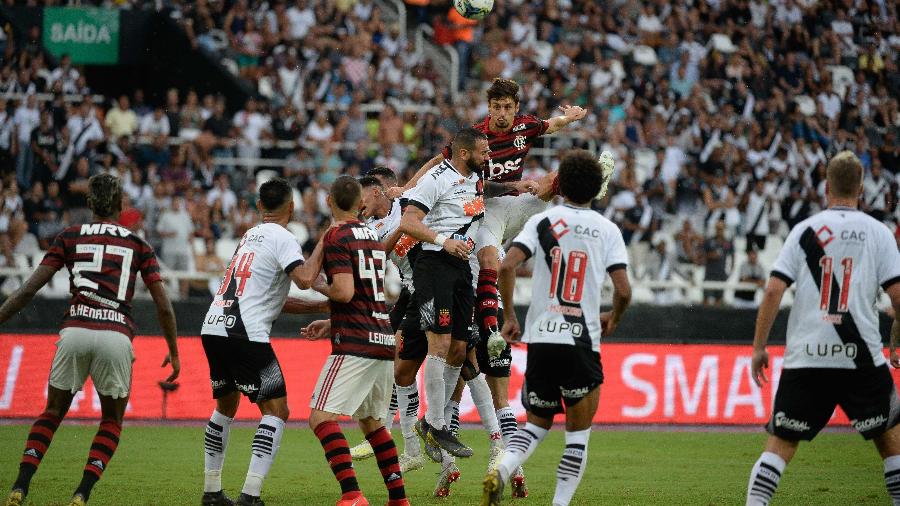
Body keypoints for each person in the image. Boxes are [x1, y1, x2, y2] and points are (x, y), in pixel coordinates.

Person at [392, 79, 595, 496]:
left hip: (506, 203)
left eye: (507, 106)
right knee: (468, 353)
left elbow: (548, 128)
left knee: (557, 179)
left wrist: (570, 118)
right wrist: (408, 189)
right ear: (488, 108)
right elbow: (437, 165)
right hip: (478, 222)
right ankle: (463, 443)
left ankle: (458, 432)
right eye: (496, 106)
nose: (501, 113)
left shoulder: (523, 128)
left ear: (515, 107)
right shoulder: (469, 146)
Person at [1, 174, 180, 506]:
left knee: (53, 412)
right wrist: (173, 350)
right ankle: (82, 493)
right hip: (116, 335)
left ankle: (20, 486)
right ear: (119, 204)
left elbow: (27, 290)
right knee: (111, 420)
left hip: (76, 329)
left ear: (90, 204)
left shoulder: (69, 236)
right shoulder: (138, 244)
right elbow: (164, 308)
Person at [745, 151, 900, 506]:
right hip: (860, 359)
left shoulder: (805, 231)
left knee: (781, 446)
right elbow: (898, 295)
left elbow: (773, 289)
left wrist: (758, 347)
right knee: (891, 443)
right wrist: (896, 336)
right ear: (861, 188)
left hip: (807, 358)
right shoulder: (879, 233)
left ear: (825, 186)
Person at [483, 150, 631, 506]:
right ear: (598, 189)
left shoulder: (543, 223)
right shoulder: (607, 229)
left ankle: (502, 469)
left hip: (543, 337)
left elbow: (505, 267)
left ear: (560, 186)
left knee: (535, 424)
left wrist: (511, 318)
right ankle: (560, 503)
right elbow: (624, 290)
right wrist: (614, 316)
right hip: (581, 338)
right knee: (577, 435)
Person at [199, 177, 324, 506]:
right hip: (245, 333)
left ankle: (212, 492)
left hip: (214, 326)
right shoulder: (285, 237)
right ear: (292, 207)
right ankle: (250, 496)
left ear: (259, 206)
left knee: (225, 407)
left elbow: (272, 297)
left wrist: (322, 307)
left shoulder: (249, 236)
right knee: (277, 410)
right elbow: (306, 279)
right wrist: (324, 242)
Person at [300, 176, 410, 506]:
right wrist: (332, 319)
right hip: (382, 338)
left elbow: (344, 291)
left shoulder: (336, 235)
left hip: (355, 343)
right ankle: (398, 499)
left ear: (330, 201)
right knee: (373, 424)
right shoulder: (372, 237)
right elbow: (366, 295)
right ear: (359, 203)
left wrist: (320, 284)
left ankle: (352, 494)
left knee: (320, 417)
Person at [398, 127, 490, 461]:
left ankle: (431, 423)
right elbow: (409, 222)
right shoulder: (436, 178)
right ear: (464, 153)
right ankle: (437, 425)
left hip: (461, 268)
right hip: (434, 264)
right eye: (484, 151)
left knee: (460, 348)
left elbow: (475, 208)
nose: (488, 156)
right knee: (438, 343)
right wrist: (443, 241)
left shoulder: (475, 179)